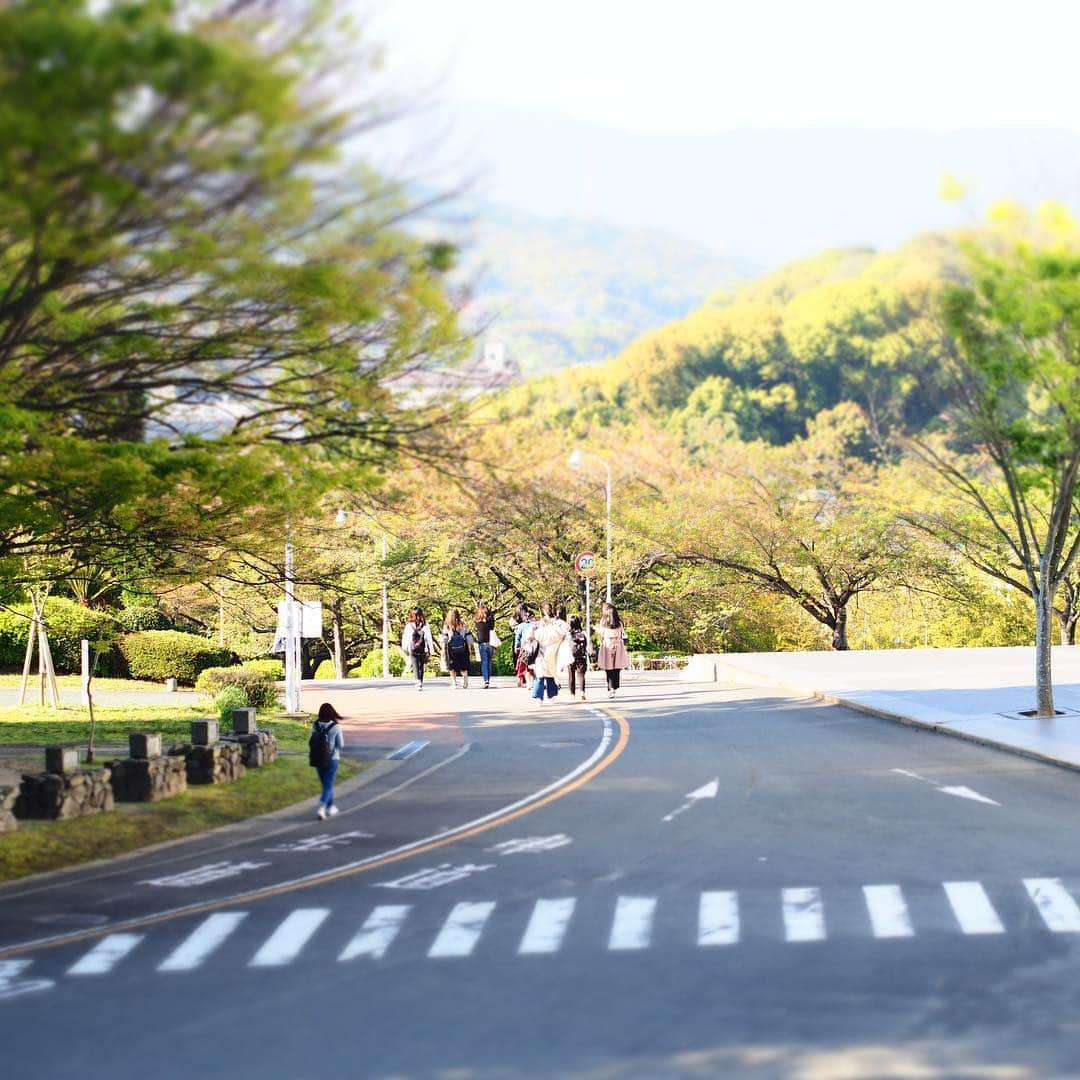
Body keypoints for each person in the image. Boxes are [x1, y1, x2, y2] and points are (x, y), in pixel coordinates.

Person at [309, 703, 344, 820]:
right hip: (332, 759)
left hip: (318, 758)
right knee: (328, 784)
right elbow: (341, 745)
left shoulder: (315, 725)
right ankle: (322, 807)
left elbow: (311, 741)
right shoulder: (336, 727)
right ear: (332, 713)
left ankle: (331, 807)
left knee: (326, 784)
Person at [531, 601, 569, 704]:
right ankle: (551, 695)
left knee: (540, 675)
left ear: (543, 611)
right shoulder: (558, 623)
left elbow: (533, 636)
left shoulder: (539, 624)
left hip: (541, 651)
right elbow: (565, 632)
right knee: (551, 674)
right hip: (553, 651)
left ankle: (539, 696)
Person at [598, 601, 629, 698]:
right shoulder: (619, 623)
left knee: (609, 668)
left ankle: (610, 688)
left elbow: (601, 635)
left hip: (607, 646)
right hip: (618, 646)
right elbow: (622, 634)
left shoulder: (603, 622)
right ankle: (615, 687)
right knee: (617, 667)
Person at [401, 608, 435, 691]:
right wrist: (431, 649)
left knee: (415, 665)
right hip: (422, 648)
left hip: (412, 648)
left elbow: (405, 637)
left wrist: (404, 648)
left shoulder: (409, 625)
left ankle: (417, 682)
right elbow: (428, 638)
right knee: (421, 665)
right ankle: (420, 682)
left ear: (411, 615)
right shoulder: (425, 625)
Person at [441, 608, 475, 689]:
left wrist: (443, 649)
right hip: (463, 648)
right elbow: (469, 637)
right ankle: (465, 679)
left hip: (451, 649)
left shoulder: (447, 625)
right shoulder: (463, 624)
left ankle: (454, 683)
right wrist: (469, 648)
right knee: (463, 664)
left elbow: (444, 638)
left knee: (452, 666)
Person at [474, 603, 497, 688]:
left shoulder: (478, 622)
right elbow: (492, 627)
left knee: (484, 662)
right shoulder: (490, 622)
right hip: (490, 643)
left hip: (482, 644)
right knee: (489, 662)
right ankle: (488, 679)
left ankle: (486, 680)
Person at [567, 614, 589, 702]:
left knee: (571, 676)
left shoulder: (568, 634)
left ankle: (572, 694)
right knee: (581, 675)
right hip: (581, 656)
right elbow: (586, 644)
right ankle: (582, 692)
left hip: (570, 657)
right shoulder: (583, 633)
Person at [513, 605, 535, 688]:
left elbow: (517, 637)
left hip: (524, 648)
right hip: (533, 649)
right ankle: (530, 683)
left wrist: (516, 646)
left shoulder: (521, 626)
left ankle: (520, 681)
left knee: (522, 665)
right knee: (531, 666)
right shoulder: (536, 625)